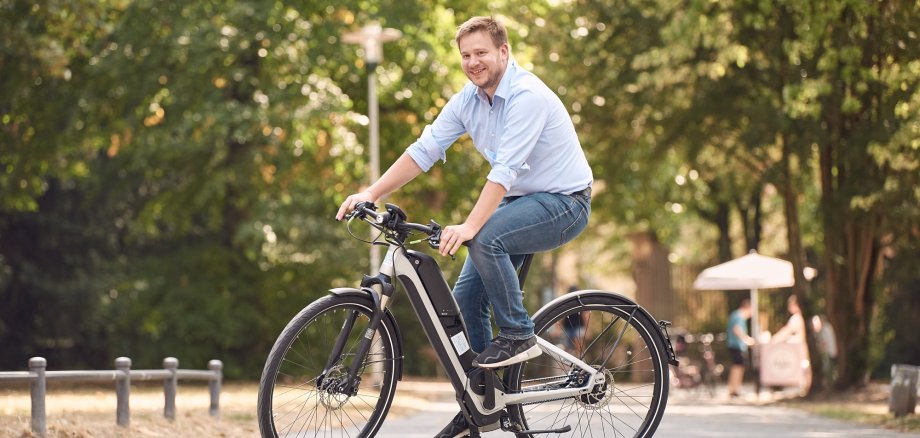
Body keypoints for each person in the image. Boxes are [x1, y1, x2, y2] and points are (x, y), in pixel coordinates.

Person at [335, 16, 593, 437]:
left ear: (503, 52)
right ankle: (481, 402)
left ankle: (518, 334)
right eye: (466, 55)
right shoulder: (468, 100)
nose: (473, 62)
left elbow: (505, 170)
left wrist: (472, 226)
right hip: (519, 202)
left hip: (564, 203)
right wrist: (372, 192)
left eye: (482, 53)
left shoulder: (527, 96)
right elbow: (424, 150)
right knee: (465, 299)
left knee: (486, 238)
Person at [772, 294, 811, 391]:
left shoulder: (797, 317)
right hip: (802, 345)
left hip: (802, 347)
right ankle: (806, 387)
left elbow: (787, 330)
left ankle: (807, 386)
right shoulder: (803, 316)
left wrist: (775, 339)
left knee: (805, 366)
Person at [726, 298, 755, 398]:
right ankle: (734, 389)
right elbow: (737, 329)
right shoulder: (739, 316)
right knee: (738, 367)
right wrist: (746, 339)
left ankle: (734, 388)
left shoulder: (736, 315)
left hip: (735, 345)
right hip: (736, 345)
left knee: (737, 366)